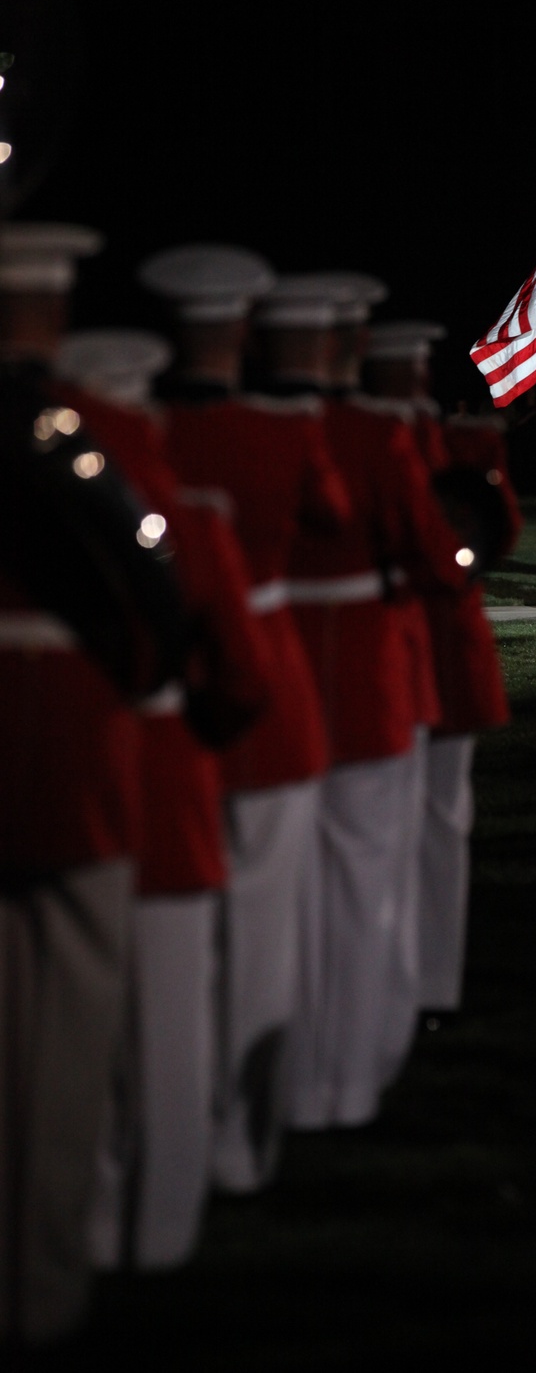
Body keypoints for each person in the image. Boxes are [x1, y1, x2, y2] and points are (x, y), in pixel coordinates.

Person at [0, 224, 189, 1350]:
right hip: (71, 760)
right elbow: (165, 608)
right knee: (67, 1051)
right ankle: (42, 1299)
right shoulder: (105, 436)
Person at [52, 327, 274, 1272]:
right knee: (173, 1023)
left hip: (71, 789)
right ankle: (164, 1226)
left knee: (72, 1035)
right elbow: (244, 680)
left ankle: (88, 1221)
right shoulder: (192, 518)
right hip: (171, 781)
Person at [138, 242, 352, 1194]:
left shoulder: (131, 432)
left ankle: (153, 1142)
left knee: (167, 952)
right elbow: (336, 516)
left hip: (158, 709)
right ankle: (237, 1141)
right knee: (262, 936)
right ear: (245, 331)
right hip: (264, 695)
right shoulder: (277, 435)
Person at [250, 274, 470, 1127]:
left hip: (276, 671)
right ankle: (346, 1077)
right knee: (367, 886)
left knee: (281, 898)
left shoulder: (238, 429)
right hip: (369, 673)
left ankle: (284, 1080)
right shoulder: (377, 438)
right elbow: (430, 550)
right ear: (346, 347)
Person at [362, 319, 523, 1018]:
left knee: (408, 824)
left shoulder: (445, 445)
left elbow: (491, 534)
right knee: (423, 824)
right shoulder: (433, 445)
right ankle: (418, 983)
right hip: (414, 656)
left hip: (414, 657)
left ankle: (415, 983)